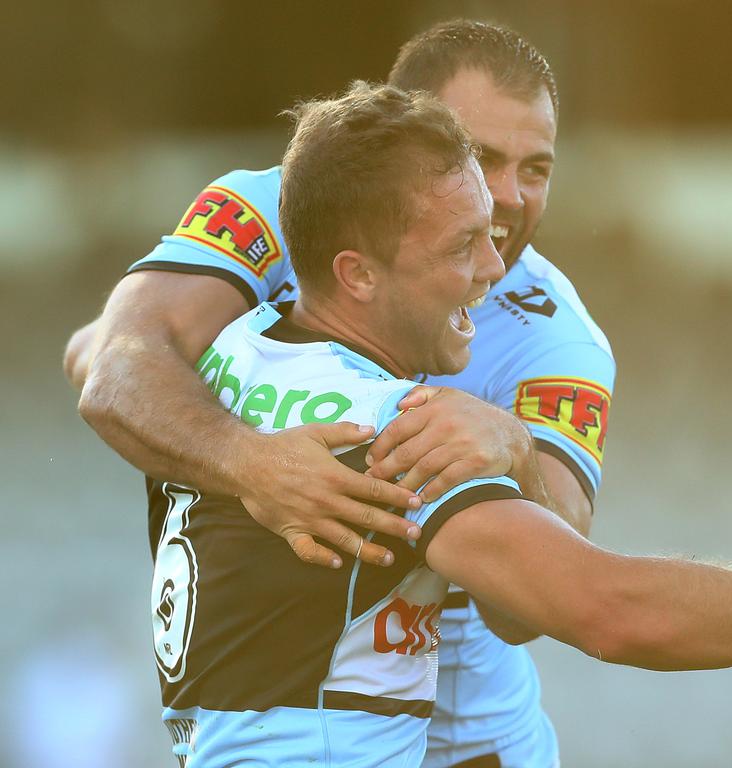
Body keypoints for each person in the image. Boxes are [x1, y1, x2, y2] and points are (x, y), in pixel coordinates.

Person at [154, 82, 732, 768]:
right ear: (357, 274)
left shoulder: (225, 354)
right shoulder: (386, 428)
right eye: (460, 249)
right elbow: (609, 612)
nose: (494, 270)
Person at [66, 20, 612, 767]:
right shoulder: (275, 206)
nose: (509, 196)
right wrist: (251, 463)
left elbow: (555, 588)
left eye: (538, 168)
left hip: (467, 744)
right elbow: (109, 365)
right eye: (482, 157)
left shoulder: (557, 334)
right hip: (298, 716)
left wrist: (514, 448)